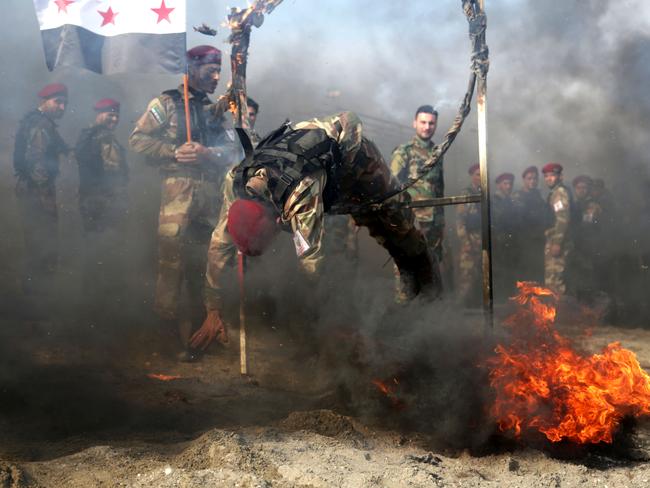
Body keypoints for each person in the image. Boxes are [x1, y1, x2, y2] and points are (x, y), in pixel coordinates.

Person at [190, 111, 439, 349]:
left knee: (397, 224)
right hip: (323, 175)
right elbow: (218, 248)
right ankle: (411, 288)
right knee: (372, 223)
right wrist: (213, 310)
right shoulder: (236, 183)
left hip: (358, 161)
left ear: (276, 222)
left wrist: (334, 321)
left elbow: (312, 264)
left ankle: (431, 291)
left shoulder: (299, 196)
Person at [129, 45, 236, 361]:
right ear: (192, 68)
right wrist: (172, 152)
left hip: (210, 193)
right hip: (178, 191)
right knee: (171, 261)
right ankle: (165, 335)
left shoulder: (216, 109)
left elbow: (232, 151)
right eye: (210, 71)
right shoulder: (166, 103)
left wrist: (209, 153)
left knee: (205, 263)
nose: (217, 77)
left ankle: (201, 334)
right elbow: (136, 140)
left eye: (219, 71)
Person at [13, 83, 69, 296]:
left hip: (31, 191)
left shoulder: (39, 122)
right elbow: (36, 162)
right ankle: (36, 301)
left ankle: (35, 298)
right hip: (36, 192)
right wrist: (47, 197)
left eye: (65, 103)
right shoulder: (41, 125)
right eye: (58, 102)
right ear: (44, 101)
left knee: (36, 244)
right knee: (42, 245)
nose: (62, 107)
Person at [75, 98, 129, 307]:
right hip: (96, 204)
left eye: (116, 115)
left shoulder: (109, 138)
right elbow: (91, 164)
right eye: (109, 114)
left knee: (110, 251)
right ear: (98, 114)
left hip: (110, 204)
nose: (114, 119)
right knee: (97, 251)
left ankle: (106, 299)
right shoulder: (91, 137)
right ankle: (93, 302)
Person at [512, 166, 550, 284]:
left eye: (534, 179)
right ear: (524, 180)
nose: (532, 181)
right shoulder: (518, 196)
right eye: (529, 179)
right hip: (523, 242)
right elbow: (519, 220)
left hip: (538, 241)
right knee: (525, 276)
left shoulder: (538, 196)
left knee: (537, 275)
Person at [542, 163, 573, 295]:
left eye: (552, 175)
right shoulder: (555, 192)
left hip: (558, 241)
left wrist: (556, 243)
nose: (549, 178)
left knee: (554, 281)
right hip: (556, 239)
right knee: (553, 280)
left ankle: (558, 313)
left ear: (560, 176)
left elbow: (562, 218)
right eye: (546, 176)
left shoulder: (559, 193)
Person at [456, 164, 482, 307]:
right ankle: (462, 309)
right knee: (467, 276)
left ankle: (475, 307)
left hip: (482, 240)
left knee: (480, 276)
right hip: (470, 240)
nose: (480, 177)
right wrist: (465, 242)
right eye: (477, 174)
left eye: (482, 174)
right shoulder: (466, 193)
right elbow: (460, 221)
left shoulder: (483, 192)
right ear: (472, 176)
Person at [492, 172, 517, 299]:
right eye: (505, 183)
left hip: (509, 245)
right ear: (498, 185)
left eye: (510, 184)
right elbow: (499, 221)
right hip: (499, 245)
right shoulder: (495, 201)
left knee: (509, 276)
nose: (508, 186)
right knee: (500, 276)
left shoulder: (509, 201)